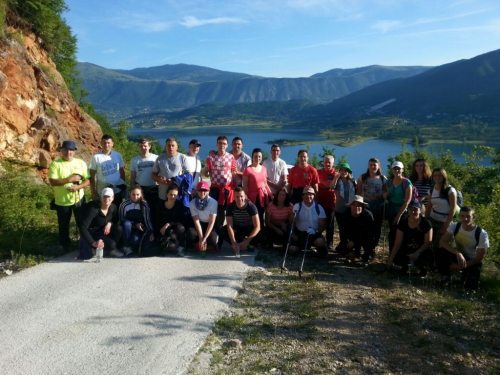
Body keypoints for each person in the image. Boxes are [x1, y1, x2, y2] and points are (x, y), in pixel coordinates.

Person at [49, 140, 90, 252]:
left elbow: (88, 180)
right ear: (62, 150)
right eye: (66, 149)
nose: (68, 152)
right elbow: (53, 182)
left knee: (82, 223)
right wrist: (69, 180)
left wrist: (78, 187)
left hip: (78, 199)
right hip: (62, 200)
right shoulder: (56, 164)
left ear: (74, 151)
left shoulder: (80, 163)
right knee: (63, 225)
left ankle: (84, 244)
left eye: (71, 150)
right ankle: (65, 247)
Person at [437, 206, 489, 290]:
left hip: (472, 260)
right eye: (463, 216)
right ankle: (445, 276)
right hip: (458, 255)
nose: (465, 219)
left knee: (471, 285)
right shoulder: (455, 226)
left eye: (468, 216)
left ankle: (468, 288)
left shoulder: (481, 233)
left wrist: (458, 267)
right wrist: (458, 253)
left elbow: (479, 258)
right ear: (459, 216)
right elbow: (442, 242)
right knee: (440, 251)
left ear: (473, 217)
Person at [386, 201, 433, 276]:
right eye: (410, 209)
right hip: (407, 248)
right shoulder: (403, 223)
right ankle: (405, 265)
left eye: (415, 210)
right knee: (397, 257)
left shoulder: (426, 223)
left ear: (420, 210)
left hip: (421, 249)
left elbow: (428, 242)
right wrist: (390, 259)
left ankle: (422, 268)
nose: (413, 212)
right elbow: (398, 242)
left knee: (429, 254)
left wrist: (417, 253)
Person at [218, 187, 265, 255]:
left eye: (241, 196)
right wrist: (233, 242)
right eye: (237, 196)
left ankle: (249, 244)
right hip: (237, 227)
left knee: (261, 235)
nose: (239, 199)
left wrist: (247, 241)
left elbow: (257, 227)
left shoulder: (251, 206)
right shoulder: (230, 207)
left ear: (245, 196)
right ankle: (238, 244)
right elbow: (230, 226)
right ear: (234, 197)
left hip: (249, 227)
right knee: (222, 232)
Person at [79, 187, 124, 258]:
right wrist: (93, 243)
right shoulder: (94, 210)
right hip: (94, 234)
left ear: (112, 198)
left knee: (118, 228)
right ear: (101, 197)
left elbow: (116, 218)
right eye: (104, 196)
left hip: (104, 232)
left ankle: (109, 250)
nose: (106, 199)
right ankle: (96, 248)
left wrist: (110, 223)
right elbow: (83, 227)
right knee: (112, 244)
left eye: (108, 197)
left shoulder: (113, 207)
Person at [203, 135, 236, 228]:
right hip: (215, 188)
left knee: (228, 210)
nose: (222, 145)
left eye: (224, 143)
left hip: (227, 188)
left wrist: (236, 187)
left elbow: (234, 173)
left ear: (227, 145)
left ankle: (227, 229)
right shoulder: (210, 157)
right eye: (220, 143)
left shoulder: (231, 157)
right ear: (217, 144)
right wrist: (205, 172)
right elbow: (207, 174)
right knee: (215, 209)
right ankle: (216, 228)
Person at [356, 158, 387, 252]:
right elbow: (358, 192)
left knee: (376, 228)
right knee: (364, 227)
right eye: (370, 165)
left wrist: (380, 196)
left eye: (374, 165)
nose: (372, 167)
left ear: (378, 166)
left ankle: (373, 248)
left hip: (379, 207)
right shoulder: (362, 177)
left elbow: (387, 192)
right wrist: (358, 205)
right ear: (368, 166)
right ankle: (361, 246)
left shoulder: (383, 179)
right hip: (366, 206)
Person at [289, 186, 327, 258]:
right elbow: (292, 221)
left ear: (314, 196)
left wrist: (315, 231)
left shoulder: (319, 208)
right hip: (300, 234)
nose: (308, 196)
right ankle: (300, 248)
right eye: (306, 194)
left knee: (320, 242)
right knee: (292, 250)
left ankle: (320, 248)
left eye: (311, 194)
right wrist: (293, 233)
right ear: (302, 196)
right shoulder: (297, 206)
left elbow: (323, 225)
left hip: (314, 234)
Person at [425, 167, 457, 250]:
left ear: (444, 176)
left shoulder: (450, 191)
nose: (437, 177)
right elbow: (429, 206)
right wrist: (425, 220)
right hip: (432, 220)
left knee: (440, 245)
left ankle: (439, 262)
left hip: (444, 222)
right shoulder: (432, 190)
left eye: (439, 175)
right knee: (429, 243)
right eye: (435, 175)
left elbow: (453, 209)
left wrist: (447, 224)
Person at [383, 161, 412, 250]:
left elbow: (407, 201)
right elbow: (389, 195)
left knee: (402, 234)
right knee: (392, 233)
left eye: (398, 168)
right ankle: (392, 254)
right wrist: (386, 195)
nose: (396, 170)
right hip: (391, 210)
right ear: (392, 170)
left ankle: (401, 256)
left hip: (403, 212)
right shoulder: (389, 182)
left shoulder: (407, 183)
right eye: (395, 168)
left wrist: (399, 215)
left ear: (402, 170)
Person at [89, 135, 126, 206]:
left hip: (116, 189)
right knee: (103, 210)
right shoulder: (96, 157)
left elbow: (122, 171)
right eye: (104, 143)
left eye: (108, 143)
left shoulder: (118, 155)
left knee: (117, 208)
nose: (106, 145)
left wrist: (122, 185)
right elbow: (92, 175)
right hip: (102, 189)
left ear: (112, 144)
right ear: (101, 143)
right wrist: (93, 192)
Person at [151, 138, 190, 203]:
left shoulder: (182, 158)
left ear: (176, 147)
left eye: (173, 145)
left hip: (177, 194)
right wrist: (159, 178)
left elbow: (189, 175)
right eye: (168, 145)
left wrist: (175, 181)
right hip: (163, 194)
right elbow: (153, 175)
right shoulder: (160, 158)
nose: (170, 147)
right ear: (165, 147)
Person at [119, 186, 155, 257]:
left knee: (135, 240)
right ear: (130, 194)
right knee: (126, 224)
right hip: (127, 228)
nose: (135, 197)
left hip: (139, 230)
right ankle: (126, 247)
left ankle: (134, 246)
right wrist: (135, 224)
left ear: (141, 194)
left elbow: (147, 220)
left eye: (137, 194)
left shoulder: (144, 204)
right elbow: (122, 219)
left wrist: (151, 232)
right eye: (133, 194)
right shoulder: (124, 205)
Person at [342, 196, 376, 266]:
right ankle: (350, 254)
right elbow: (343, 233)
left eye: (359, 205)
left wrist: (355, 241)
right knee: (341, 248)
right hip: (351, 236)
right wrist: (349, 250)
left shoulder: (368, 215)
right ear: (350, 206)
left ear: (363, 206)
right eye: (354, 205)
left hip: (364, 237)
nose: (356, 208)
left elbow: (369, 233)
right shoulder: (345, 215)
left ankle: (366, 257)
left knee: (371, 241)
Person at [129, 138, 158, 220]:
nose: (143, 148)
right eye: (141, 146)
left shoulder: (156, 158)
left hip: (154, 188)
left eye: (145, 146)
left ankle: (153, 230)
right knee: (141, 210)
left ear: (149, 146)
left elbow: (161, 172)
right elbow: (133, 176)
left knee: (153, 210)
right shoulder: (134, 160)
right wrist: (131, 190)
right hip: (140, 189)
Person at [156, 185, 189, 256]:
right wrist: (169, 233)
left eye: (175, 195)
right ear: (167, 194)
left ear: (177, 196)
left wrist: (169, 224)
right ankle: (173, 244)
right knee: (170, 247)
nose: (173, 196)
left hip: (176, 230)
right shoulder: (160, 206)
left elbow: (181, 220)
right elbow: (158, 222)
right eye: (171, 194)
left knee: (180, 227)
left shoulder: (180, 205)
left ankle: (181, 246)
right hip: (164, 231)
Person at [188, 181, 218, 254]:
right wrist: (201, 238)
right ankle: (198, 243)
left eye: (205, 190)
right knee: (191, 233)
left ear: (208, 190)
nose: (202, 193)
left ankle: (209, 244)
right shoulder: (192, 203)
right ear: (197, 191)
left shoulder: (213, 202)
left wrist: (205, 238)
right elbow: (196, 221)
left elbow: (211, 222)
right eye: (200, 190)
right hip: (200, 224)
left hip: (209, 224)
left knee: (213, 239)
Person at [243, 148, 273, 220]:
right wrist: (245, 199)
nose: (257, 158)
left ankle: (261, 230)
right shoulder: (248, 170)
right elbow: (244, 187)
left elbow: (265, 184)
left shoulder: (264, 168)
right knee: (253, 215)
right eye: (255, 156)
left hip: (262, 196)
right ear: (252, 157)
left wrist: (271, 195)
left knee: (261, 214)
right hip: (252, 197)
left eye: (259, 156)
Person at [332, 162, 356, 253]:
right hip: (339, 209)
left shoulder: (353, 182)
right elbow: (331, 186)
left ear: (348, 172)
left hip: (350, 209)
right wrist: (336, 177)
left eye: (345, 170)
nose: (343, 172)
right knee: (342, 230)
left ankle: (349, 247)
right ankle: (343, 246)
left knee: (350, 229)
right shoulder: (337, 182)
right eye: (341, 170)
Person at [317, 155, 336, 250]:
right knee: (318, 222)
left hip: (330, 201)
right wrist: (328, 184)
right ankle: (317, 239)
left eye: (329, 162)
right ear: (323, 162)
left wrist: (323, 183)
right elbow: (316, 183)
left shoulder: (336, 173)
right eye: (326, 162)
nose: (327, 164)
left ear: (333, 164)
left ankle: (329, 242)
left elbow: (331, 186)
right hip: (319, 201)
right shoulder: (318, 172)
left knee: (330, 223)